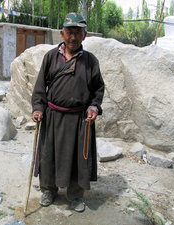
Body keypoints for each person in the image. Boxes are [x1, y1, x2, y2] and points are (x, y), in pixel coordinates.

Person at [31, 12, 104, 212]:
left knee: (77, 159)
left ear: (84, 35)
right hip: (53, 116)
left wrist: (93, 107)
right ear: (62, 34)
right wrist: (38, 107)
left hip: (79, 119)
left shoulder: (90, 61)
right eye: (69, 32)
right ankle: (48, 189)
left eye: (77, 33)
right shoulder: (51, 57)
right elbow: (40, 88)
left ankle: (75, 195)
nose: (73, 37)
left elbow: (98, 89)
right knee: (49, 155)